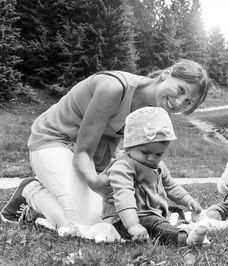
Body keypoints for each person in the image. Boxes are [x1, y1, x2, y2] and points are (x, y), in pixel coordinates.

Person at [1, 59, 211, 229]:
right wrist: (94, 181)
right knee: (84, 222)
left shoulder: (153, 112)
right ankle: (30, 191)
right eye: (181, 90)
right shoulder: (114, 88)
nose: (179, 103)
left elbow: (132, 157)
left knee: (105, 219)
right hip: (54, 141)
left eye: (188, 102)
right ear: (167, 74)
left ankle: (47, 198)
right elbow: (83, 151)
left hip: (89, 156)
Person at [100, 106, 209, 245]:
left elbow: (170, 185)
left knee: (172, 212)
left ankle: (181, 226)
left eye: (158, 154)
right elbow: (123, 195)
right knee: (154, 224)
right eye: (145, 153)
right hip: (124, 219)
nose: (152, 158)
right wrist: (133, 225)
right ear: (129, 146)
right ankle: (184, 238)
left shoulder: (158, 165)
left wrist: (188, 200)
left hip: (150, 214)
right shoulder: (123, 166)